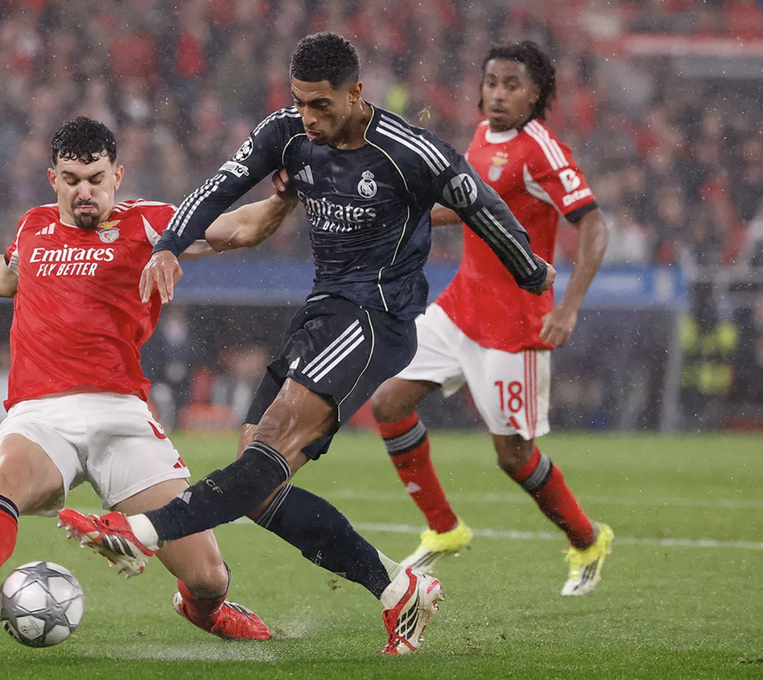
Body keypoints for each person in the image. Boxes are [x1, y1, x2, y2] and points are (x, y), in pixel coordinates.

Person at [57, 32, 553, 655]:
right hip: (322, 312)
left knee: (266, 450)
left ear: (356, 92)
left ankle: (140, 532)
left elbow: (481, 203)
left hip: (375, 321)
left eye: (321, 104)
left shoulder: (410, 151)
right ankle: (398, 589)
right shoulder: (287, 132)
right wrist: (168, 245)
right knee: (259, 486)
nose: (308, 117)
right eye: (299, 102)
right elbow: (219, 186)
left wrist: (530, 271)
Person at [0, 116, 298, 641]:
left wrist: (283, 196)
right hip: (41, 413)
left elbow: (240, 228)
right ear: (53, 179)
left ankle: (205, 610)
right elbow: (7, 276)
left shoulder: (149, 224)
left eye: (96, 179)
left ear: (117, 176)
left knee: (208, 576)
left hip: (120, 413)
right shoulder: (33, 225)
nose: (85, 191)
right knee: (3, 478)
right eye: (72, 180)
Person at [368, 41, 614, 596]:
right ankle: (444, 528)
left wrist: (568, 307)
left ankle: (586, 539)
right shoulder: (482, 136)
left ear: (536, 94)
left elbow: (594, 225)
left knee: (513, 457)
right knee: (388, 403)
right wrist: (403, 213)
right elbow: (470, 205)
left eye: (512, 85)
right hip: (461, 307)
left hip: (515, 325)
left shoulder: (542, 151)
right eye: (492, 83)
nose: (498, 94)